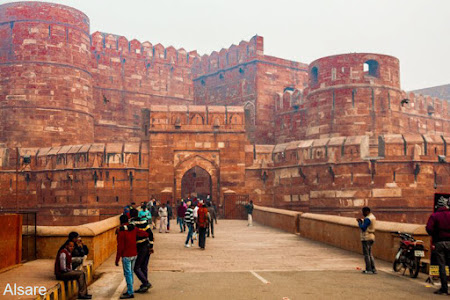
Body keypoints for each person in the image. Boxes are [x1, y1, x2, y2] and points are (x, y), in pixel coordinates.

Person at [115, 214, 148, 299]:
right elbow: (145, 234)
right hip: (134, 254)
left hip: (126, 255)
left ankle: (130, 292)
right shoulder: (133, 229)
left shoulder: (121, 232)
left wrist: (117, 259)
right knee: (130, 273)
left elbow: (120, 247)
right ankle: (130, 289)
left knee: (128, 273)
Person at [426, 197, 450, 295]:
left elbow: (429, 228)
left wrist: (435, 235)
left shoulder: (435, 216)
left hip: (439, 242)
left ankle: (444, 288)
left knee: (442, 266)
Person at [128, 209, 154, 293]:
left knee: (136, 267)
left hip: (140, 247)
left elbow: (130, 230)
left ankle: (146, 283)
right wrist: (151, 246)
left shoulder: (132, 222)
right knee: (144, 267)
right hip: (146, 245)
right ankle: (144, 285)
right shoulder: (144, 222)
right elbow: (150, 234)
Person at [357, 207, 377, 274]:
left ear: (367, 211)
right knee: (370, 254)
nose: (363, 213)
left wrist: (359, 222)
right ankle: (373, 269)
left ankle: (369, 269)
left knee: (366, 255)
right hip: (372, 236)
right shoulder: (373, 217)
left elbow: (363, 228)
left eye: (363, 212)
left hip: (366, 237)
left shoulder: (368, 218)